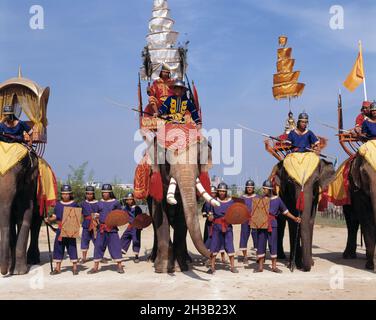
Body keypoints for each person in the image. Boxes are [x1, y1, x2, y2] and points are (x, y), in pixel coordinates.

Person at [255, 180, 301, 273]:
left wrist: (294, 218)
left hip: (273, 224)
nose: (263, 190)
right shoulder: (260, 199)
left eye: (265, 189)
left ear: (270, 189)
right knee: (261, 244)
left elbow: (285, 211)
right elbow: (255, 212)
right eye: (263, 188)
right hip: (261, 225)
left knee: (273, 245)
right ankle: (260, 267)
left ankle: (274, 267)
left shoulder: (277, 199)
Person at [88, 184, 125, 274]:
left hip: (112, 228)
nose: (105, 194)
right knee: (98, 247)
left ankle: (120, 266)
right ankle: (95, 267)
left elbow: (120, 214)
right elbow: (94, 215)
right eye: (103, 192)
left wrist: (116, 220)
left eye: (107, 192)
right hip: (101, 228)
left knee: (116, 246)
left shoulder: (115, 202)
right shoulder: (99, 203)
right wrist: (96, 216)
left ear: (110, 193)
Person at [46, 184, 79, 275]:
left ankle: (75, 267)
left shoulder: (74, 204)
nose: (65, 195)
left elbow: (76, 217)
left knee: (72, 247)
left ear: (70, 194)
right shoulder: (58, 204)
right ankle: (58, 268)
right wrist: (49, 219)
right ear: (61, 194)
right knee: (58, 248)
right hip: (60, 230)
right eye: (63, 194)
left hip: (70, 229)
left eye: (67, 194)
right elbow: (56, 216)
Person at [207, 182, 238, 274]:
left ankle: (232, 267)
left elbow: (235, 213)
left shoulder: (231, 201)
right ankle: (212, 267)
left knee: (229, 245)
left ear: (226, 192)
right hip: (216, 227)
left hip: (227, 227)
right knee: (214, 246)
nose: (221, 193)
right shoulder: (213, 201)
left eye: (223, 191)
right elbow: (210, 215)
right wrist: (210, 217)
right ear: (217, 191)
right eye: (220, 191)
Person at [202, 186, 226, 264]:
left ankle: (223, 258)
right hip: (209, 225)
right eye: (211, 193)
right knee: (208, 239)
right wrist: (208, 216)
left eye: (214, 193)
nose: (213, 194)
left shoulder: (219, 201)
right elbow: (203, 213)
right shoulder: (206, 202)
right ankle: (207, 257)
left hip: (218, 223)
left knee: (221, 239)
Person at [239, 179, 258, 264]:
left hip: (255, 220)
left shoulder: (258, 197)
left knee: (256, 237)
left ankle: (258, 256)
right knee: (244, 237)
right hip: (245, 220)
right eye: (248, 187)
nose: (249, 188)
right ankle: (245, 256)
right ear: (246, 188)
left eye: (251, 187)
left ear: (253, 188)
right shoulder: (242, 198)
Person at [120, 193, 142, 263]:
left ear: (133, 200)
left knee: (136, 240)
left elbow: (141, 217)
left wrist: (140, 225)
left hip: (136, 226)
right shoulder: (126, 208)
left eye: (130, 199)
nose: (129, 201)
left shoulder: (137, 208)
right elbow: (122, 214)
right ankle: (122, 250)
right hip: (130, 226)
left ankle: (136, 256)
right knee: (124, 237)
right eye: (127, 200)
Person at [80, 186, 99, 264]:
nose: (89, 195)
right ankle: (84, 258)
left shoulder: (98, 203)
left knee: (97, 241)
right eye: (87, 194)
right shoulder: (82, 203)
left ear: (93, 194)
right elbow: (76, 214)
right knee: (84, 241)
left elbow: (102, 213)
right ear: (86, 194)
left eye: (91, 194)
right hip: (86, 225)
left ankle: (99, 257)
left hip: (95, 224)